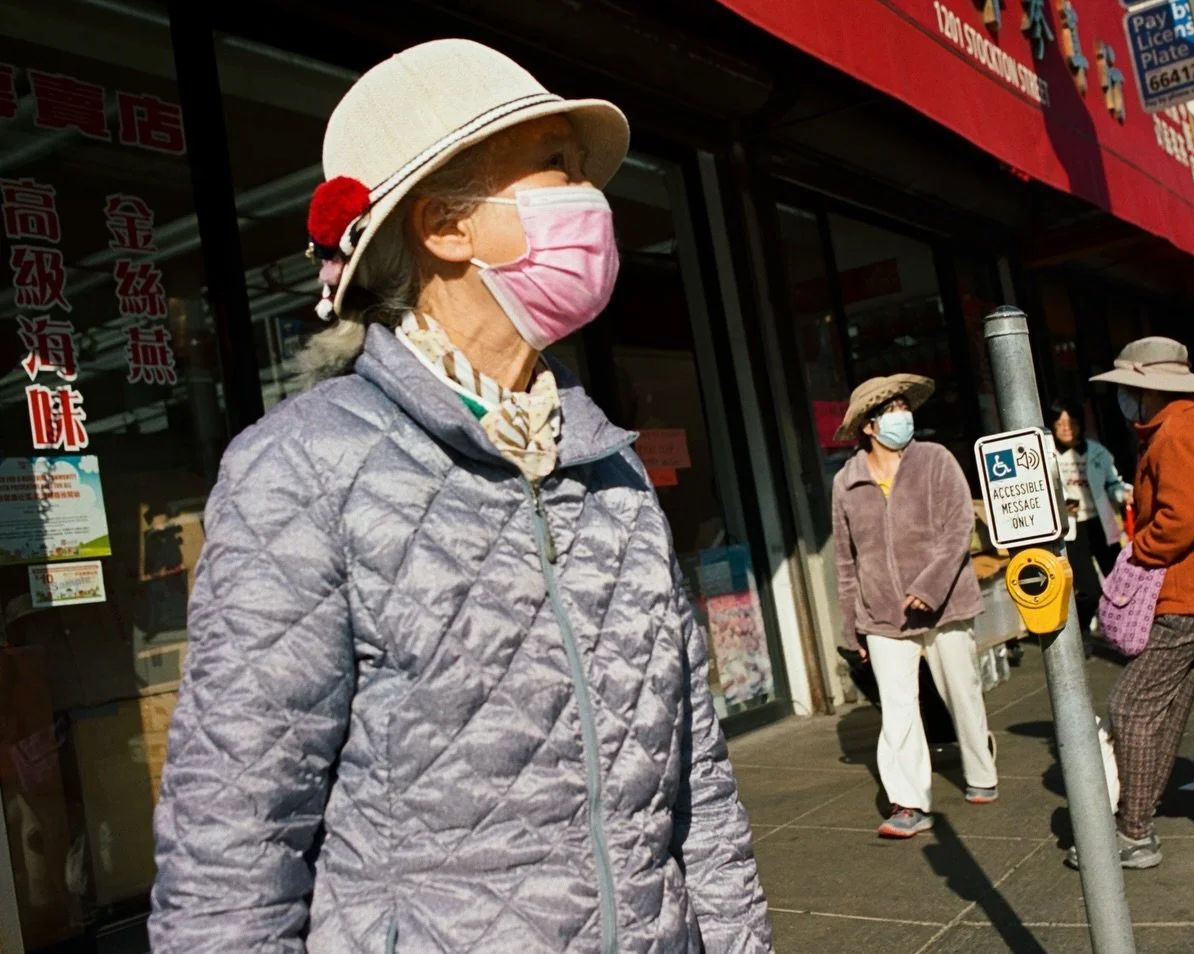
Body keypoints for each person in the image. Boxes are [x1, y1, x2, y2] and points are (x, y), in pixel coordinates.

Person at [149, 40, 772, 954]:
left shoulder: (610, 465)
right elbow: (233, 848)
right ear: (445, 226)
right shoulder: (302, 468)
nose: (592, 199)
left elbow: (698, 787)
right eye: (557, 166)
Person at [1072, 338, 1194, 870]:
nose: (1124, 398)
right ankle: (1137, 823)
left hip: (1191, 595)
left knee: (1131, 706)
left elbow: (1183, 519)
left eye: (1128, 387)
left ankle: (1134, 832)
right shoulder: (1189, 425)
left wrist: (1138, 551)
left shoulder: (1176, 433)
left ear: (1147, 389)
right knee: (1163, 708)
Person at [830, 375, 998, 838]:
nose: (902, 416)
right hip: (881, 614)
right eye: (891, 410)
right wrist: (852, 627)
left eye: (905, 407)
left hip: (945, 605)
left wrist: (931, 585)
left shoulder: (935, 460)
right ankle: (908, 802)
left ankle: (981, 770)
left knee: (961, 692)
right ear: (868, 426)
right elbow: (845, 561)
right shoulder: (846, 482)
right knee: (899, 711)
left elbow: (960, 527)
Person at [1047, 399, 1129, 641]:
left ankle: (1123, 632)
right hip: (1073, 529)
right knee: (1089, 590)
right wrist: (1060, 505)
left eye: (1071, 423)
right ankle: (1082, 630)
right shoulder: (1047, 456)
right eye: (1060, 424)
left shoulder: (1097, 452)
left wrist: (1124, 494)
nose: (1066, 429)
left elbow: (1113, 483)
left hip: (1100, 524)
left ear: (1081, 424)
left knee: (1120, 583)